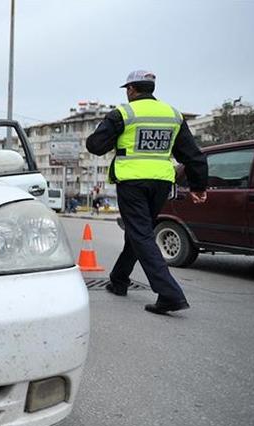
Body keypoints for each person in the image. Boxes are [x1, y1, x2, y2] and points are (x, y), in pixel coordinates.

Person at [86, 70, 208, 315]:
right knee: (137, 233)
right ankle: (119, 281)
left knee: (140, 234)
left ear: (131, 89)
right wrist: (198, 186)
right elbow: (192, 154)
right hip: (162, 182)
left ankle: (170, 294)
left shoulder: (123, 113)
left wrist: (114, 133)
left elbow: (95, 145)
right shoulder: (173, 114)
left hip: (132, 181)